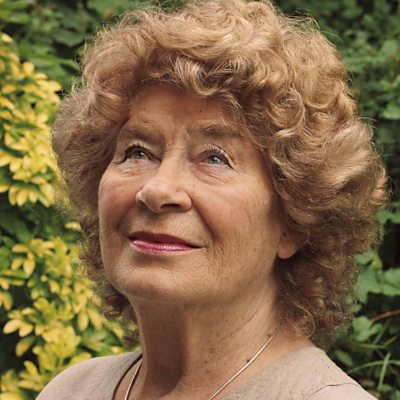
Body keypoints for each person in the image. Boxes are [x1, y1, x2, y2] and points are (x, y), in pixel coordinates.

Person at [37, 0, 386, 399]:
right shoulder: (71, 390)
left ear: (295, 221)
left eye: (214, 158)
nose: (157, 190)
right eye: (137, 151)